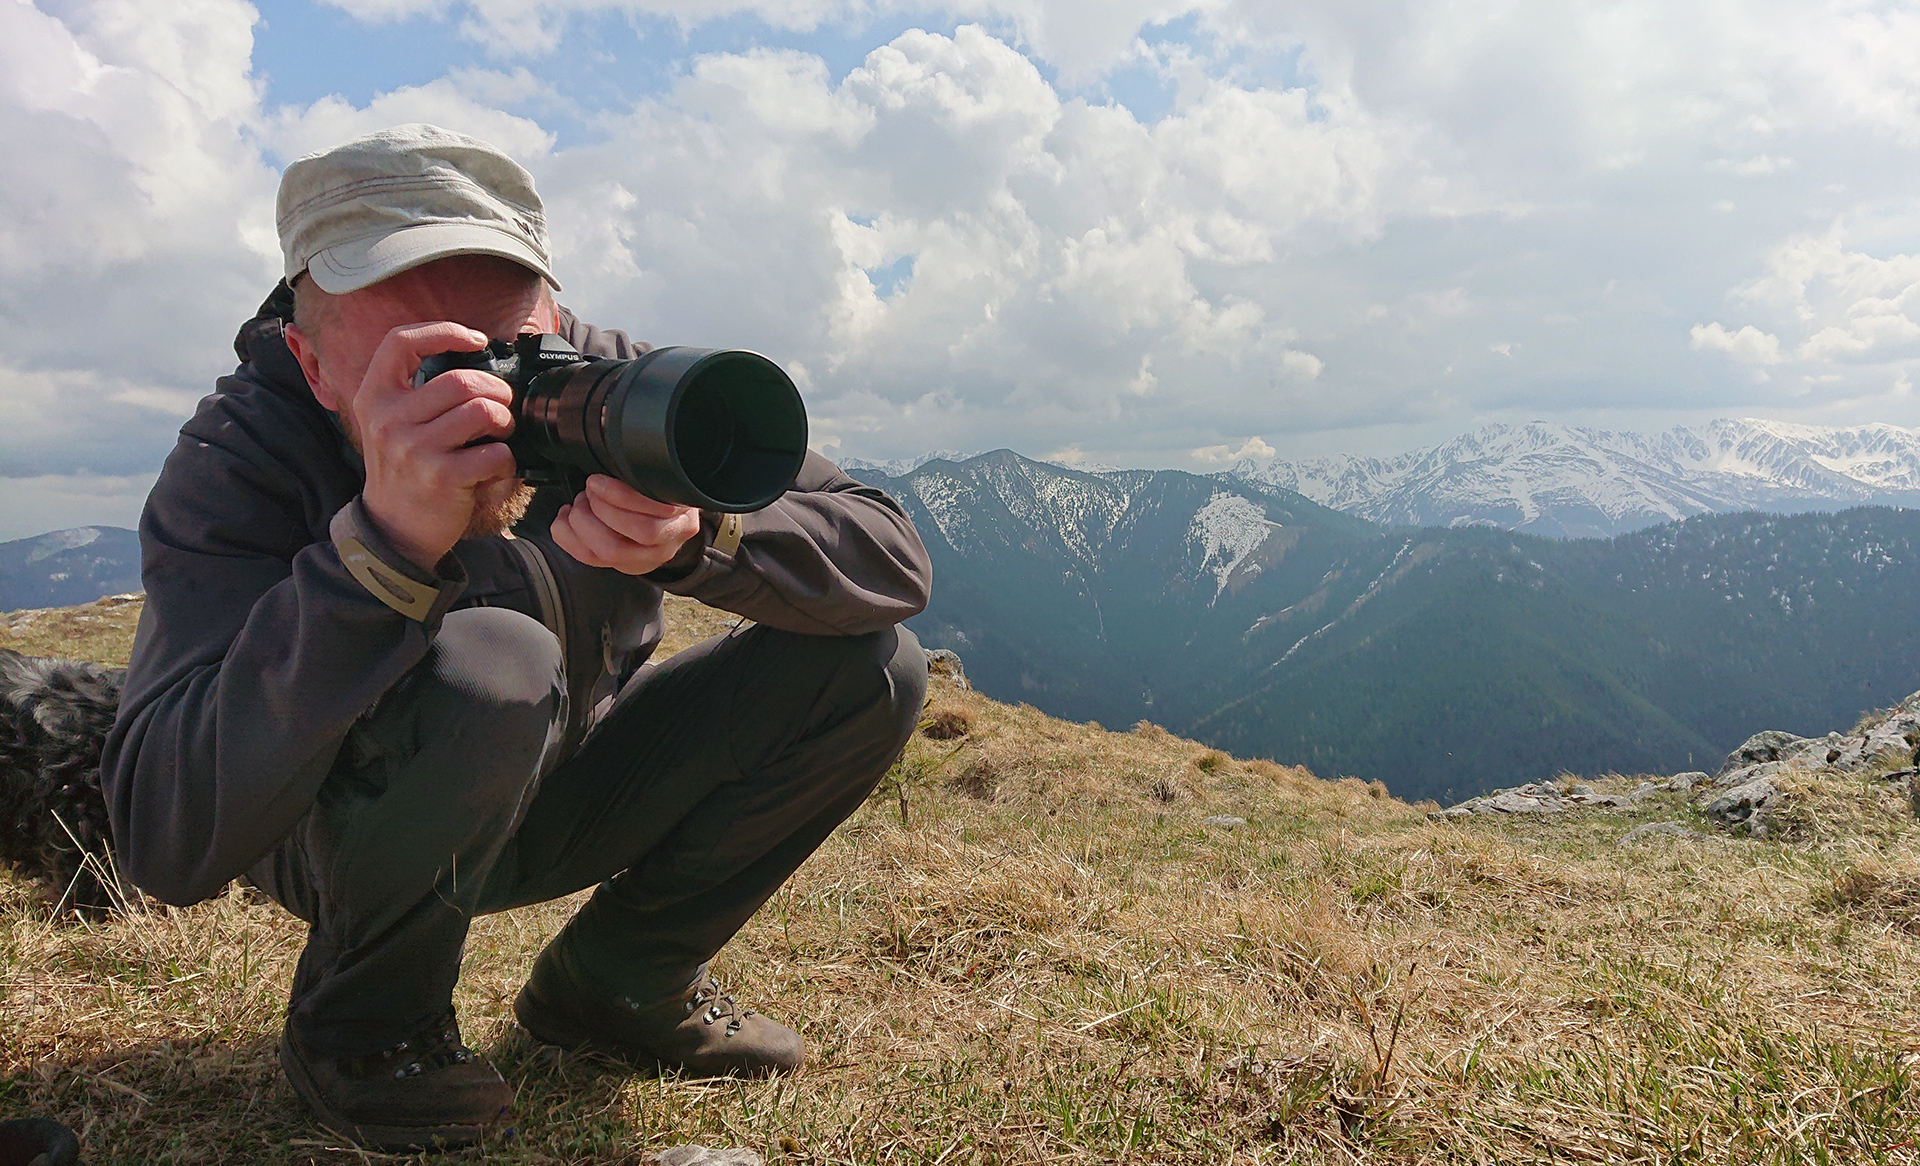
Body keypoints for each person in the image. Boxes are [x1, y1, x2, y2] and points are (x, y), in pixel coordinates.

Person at [100, 124, 932, 1151]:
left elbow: (893, 561)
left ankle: (619, 984)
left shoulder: (605, 384)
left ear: (551, 306)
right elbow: (162, 837)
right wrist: (377, 552)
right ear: (317, 366)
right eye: (430, 364)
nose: (490, 395)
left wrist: (702, 536)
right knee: (496, 660)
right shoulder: (244, 453)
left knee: (870, 665)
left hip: (569, 779)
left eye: (513, 343)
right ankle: (366, 1026)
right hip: (341, 829)